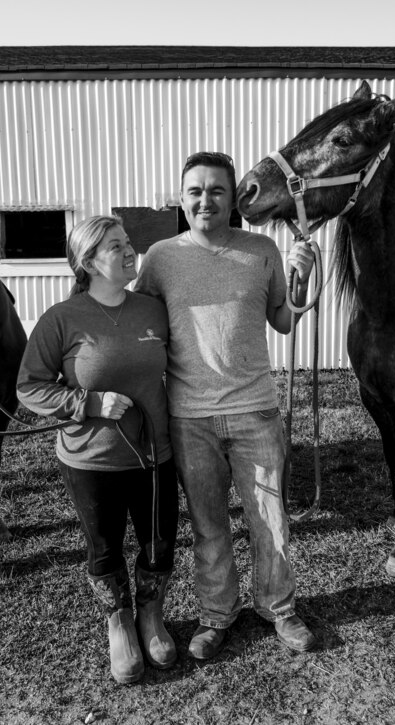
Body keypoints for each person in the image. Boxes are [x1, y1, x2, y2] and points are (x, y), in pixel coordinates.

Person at [135, 151, 318, 659]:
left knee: (270, 519)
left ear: (233, 198)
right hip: (189, 417)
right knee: (208, 525)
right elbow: (141, 322)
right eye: (195, 190)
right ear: (181, 197)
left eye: (216, 190)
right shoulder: (160, 258)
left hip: (255, 410)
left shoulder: (261, 251)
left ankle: (278, 608)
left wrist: (301, 277)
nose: (205, 200)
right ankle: (217, 615)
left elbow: (284, 319)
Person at [17, 215, 179, 684]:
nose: (130, 251)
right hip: (90, 460)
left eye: (129, 243)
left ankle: (151, 615)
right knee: (104, 548)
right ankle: (119, 622)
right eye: (115, 246)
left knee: (159, 541)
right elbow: (30, 387)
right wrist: (87, 402)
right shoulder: (61, 320)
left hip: (154, 455)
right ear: (87, 262)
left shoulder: (153, 310)